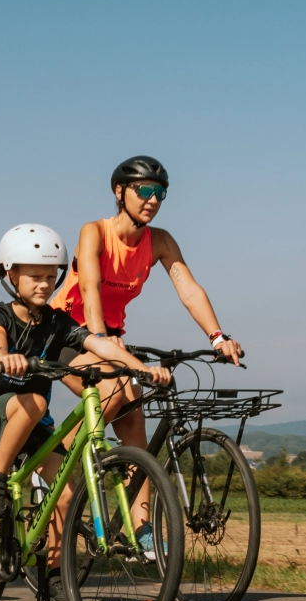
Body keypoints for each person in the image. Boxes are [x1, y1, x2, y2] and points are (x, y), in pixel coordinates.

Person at [0, 225, 168, 580]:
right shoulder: (0, 313)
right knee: (34, 400)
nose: (45, 284)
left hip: (37, 423)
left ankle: (55, 576)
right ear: (10, 274)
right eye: (34, 276)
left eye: (51, 276)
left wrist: (143, 370)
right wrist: (5, 356)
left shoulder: (58, 322)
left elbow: (101, 345)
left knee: (62, 498)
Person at [51, 155, 242, 459]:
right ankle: (50, 463)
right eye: (143, 191)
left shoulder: (160, 241)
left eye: (160, 193)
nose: (152, 200)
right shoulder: (95, 232)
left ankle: (138, 499)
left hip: (110, 337)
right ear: (119, 191)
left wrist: (218, 337)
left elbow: (189, 289)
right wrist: (101, 339)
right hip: (66, 331)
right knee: (111, 393)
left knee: (134, 423)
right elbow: (90, 288)